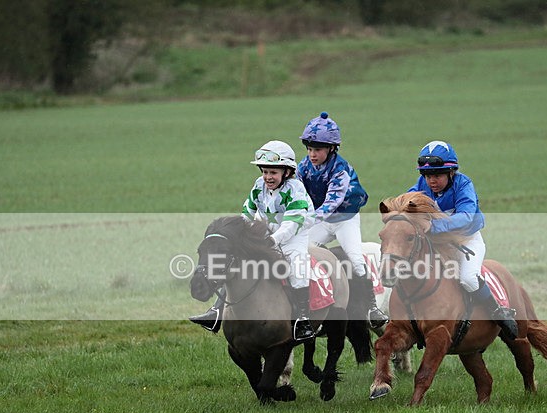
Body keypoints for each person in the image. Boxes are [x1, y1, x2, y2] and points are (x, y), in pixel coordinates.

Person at [189, 140, 316, 340]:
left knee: (298, 267)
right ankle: (216, 312)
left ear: (287, 172)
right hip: (266, 232)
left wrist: (273, 240)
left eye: (273, 172)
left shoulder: (295, 189)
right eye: (265, 171)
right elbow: (246, 214)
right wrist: (238, 237)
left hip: (294, 235)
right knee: (234, 263)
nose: (267, 177)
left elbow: (291, 223)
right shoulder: (259, 185)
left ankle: (302, 319)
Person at [408, 140, 518, 339]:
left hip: (466, 240)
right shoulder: (422, 185)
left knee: (467, 278)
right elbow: (408, 201)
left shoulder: (464, 184)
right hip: (439, 243)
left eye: (438, 175)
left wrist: (433, 226)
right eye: (427, 175)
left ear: (451, 172)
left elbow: (467, 217)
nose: (432, 181)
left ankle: (498, 313)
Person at [297, 112, 388, 329]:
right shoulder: (303, 167)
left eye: (317, 149)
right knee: (304, 252)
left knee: (356, 259)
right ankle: (311, 302)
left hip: (344, 219)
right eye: (309, 149)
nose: (312, 154)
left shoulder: (340, 170)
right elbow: (299, 194)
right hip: (321, 219)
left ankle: (372, 306)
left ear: (331, 149)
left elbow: (332, 202)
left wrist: (308, 220)